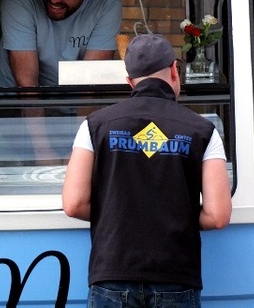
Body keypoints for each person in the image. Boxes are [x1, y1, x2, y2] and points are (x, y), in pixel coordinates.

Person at [62, 34, 232, 308]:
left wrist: (118, 214)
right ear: (175, 70)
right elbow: (218, 215)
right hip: (176, 274)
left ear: (129, 82)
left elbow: (73, 204)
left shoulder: (94, 125)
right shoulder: (203, 131)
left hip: (112, 272)